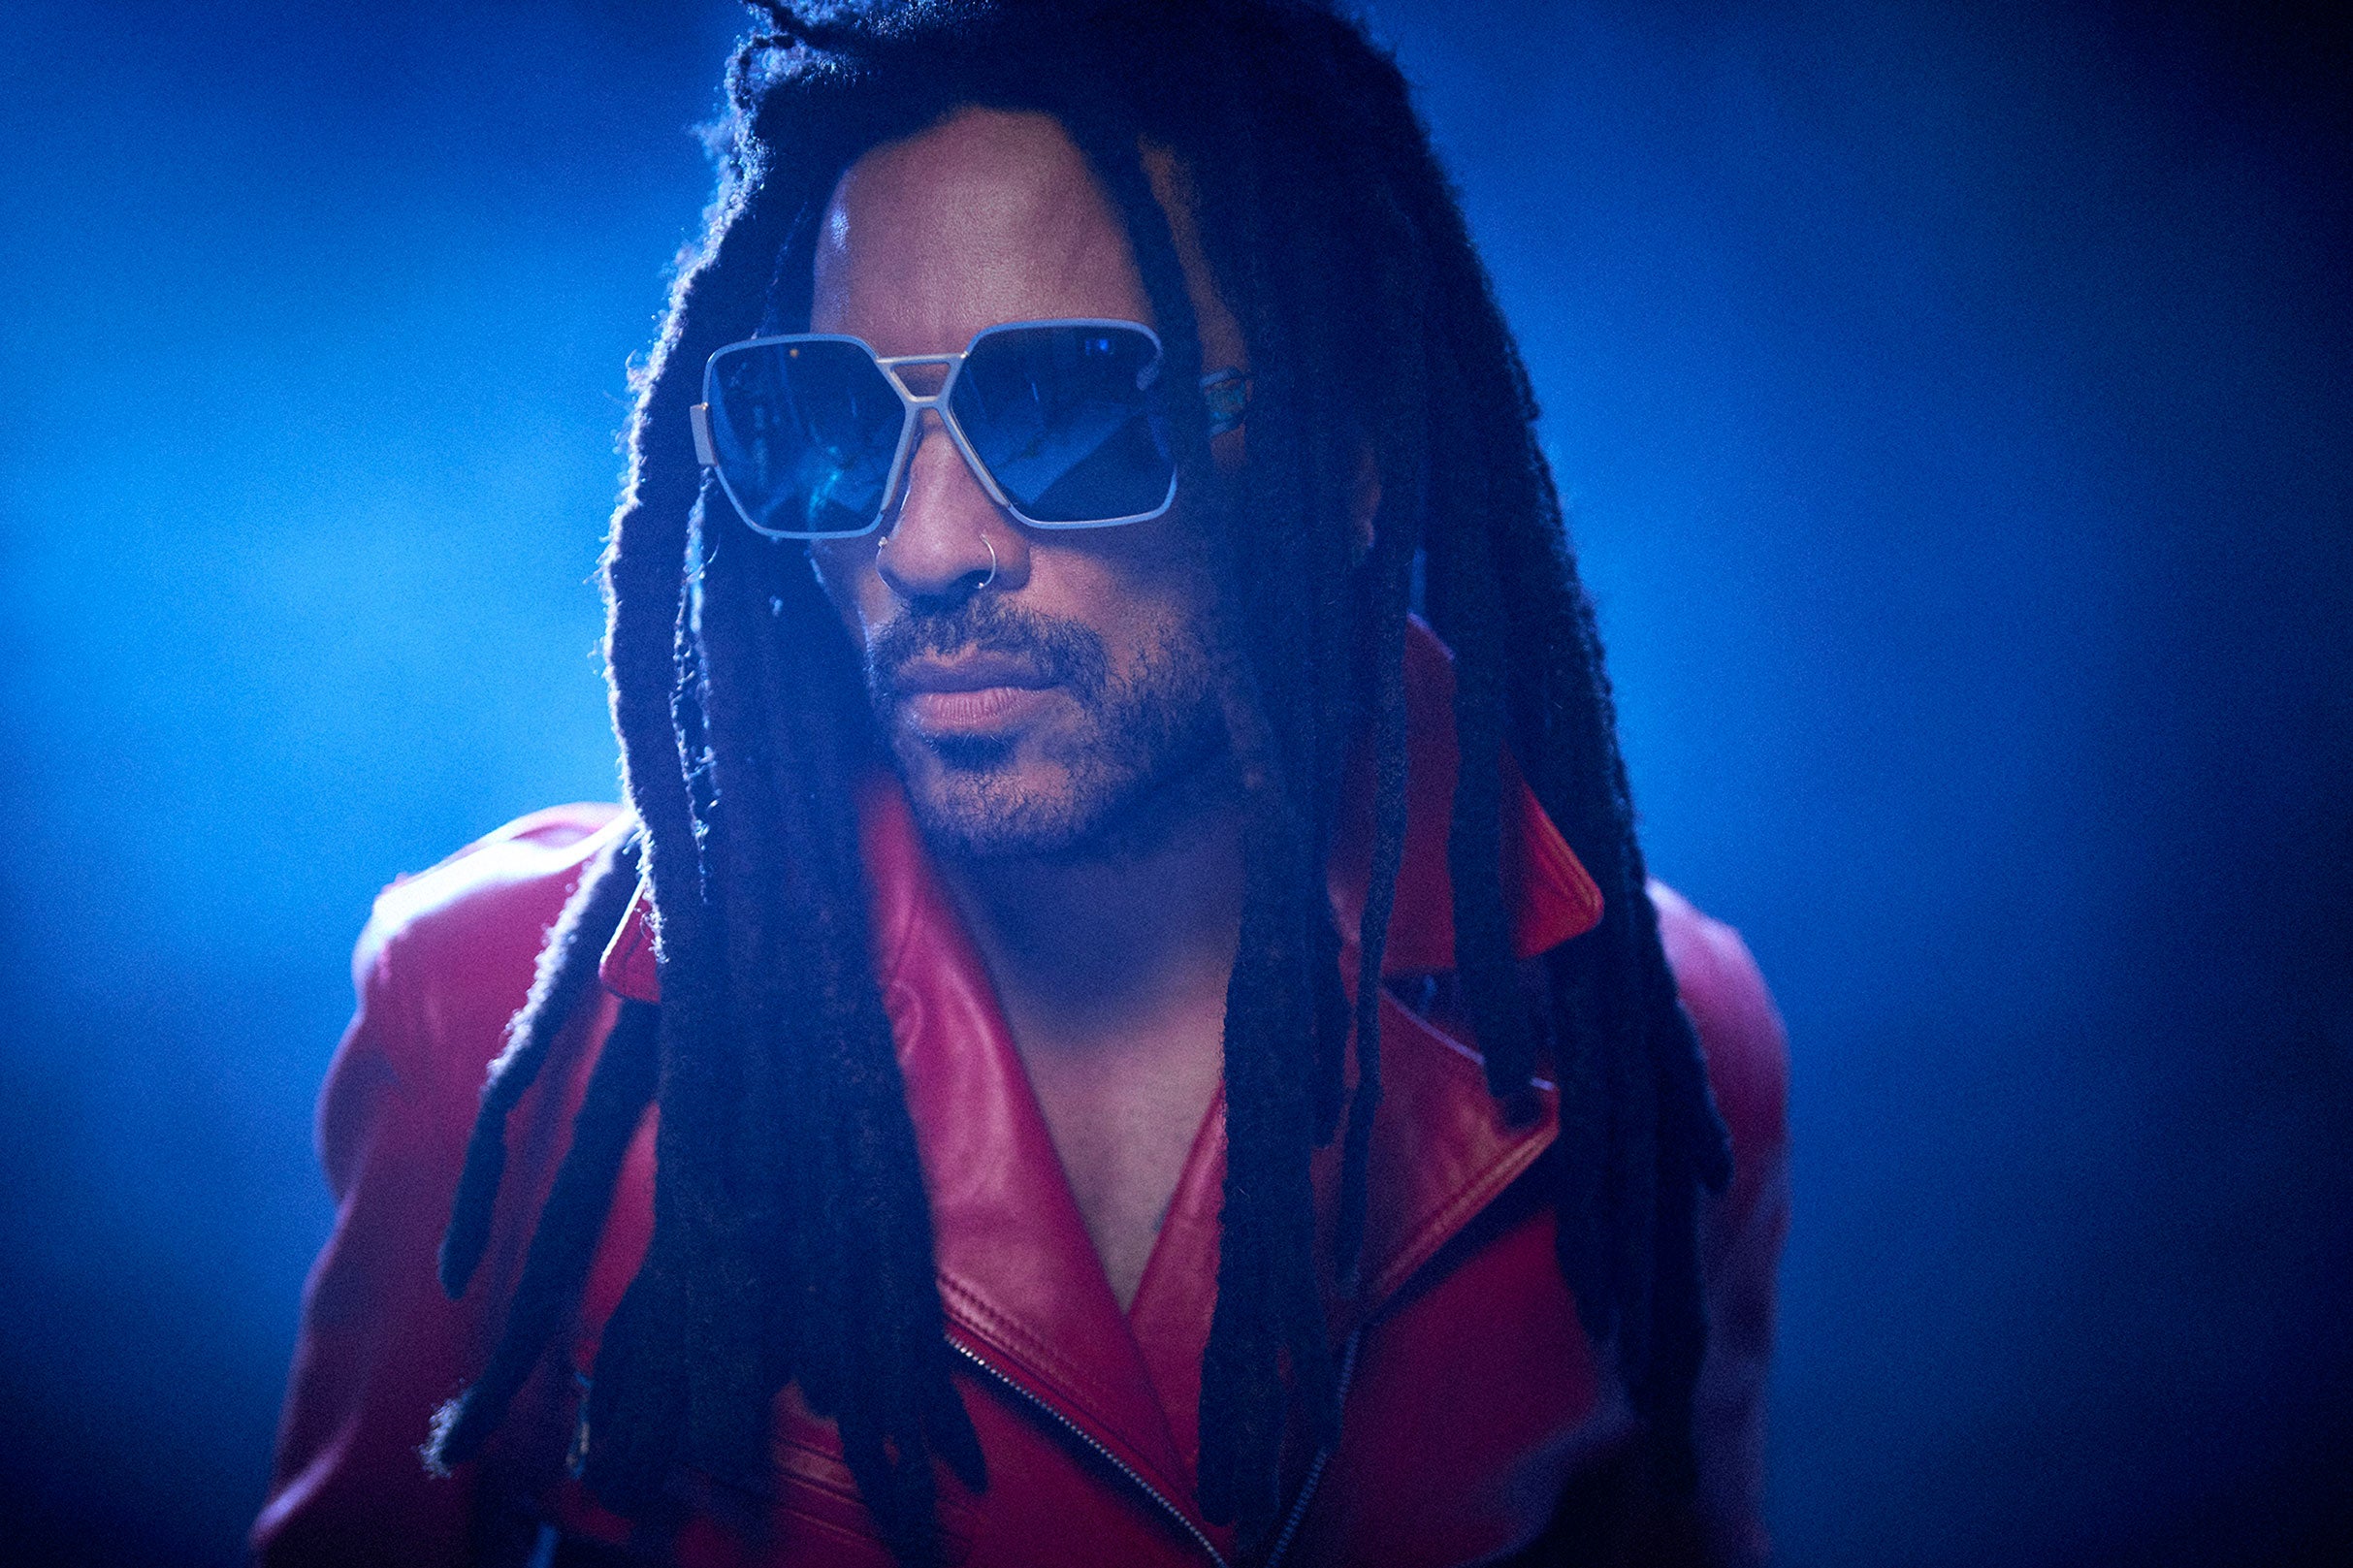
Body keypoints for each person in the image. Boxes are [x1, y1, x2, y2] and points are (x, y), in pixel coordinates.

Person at [253, 3, 1789, 1564]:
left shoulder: (1644, 1048)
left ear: (1341, 465)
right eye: (830, 421)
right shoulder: (498, 1009)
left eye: (1070, 411)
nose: (924, 548)